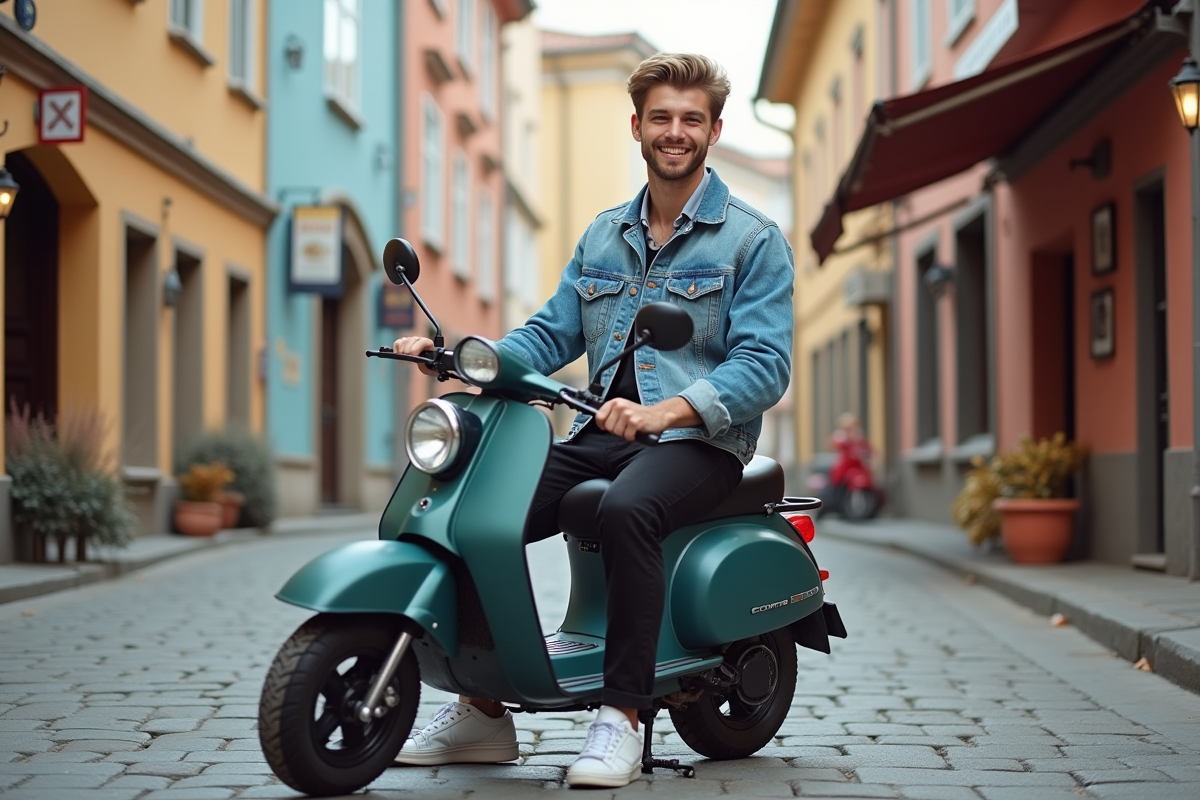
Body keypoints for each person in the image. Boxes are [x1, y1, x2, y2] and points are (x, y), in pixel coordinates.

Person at [391, 52, 794, 789]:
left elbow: (765, 363)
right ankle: (484, 712)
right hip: (602, 431)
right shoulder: (604, 237)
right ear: (638, 127)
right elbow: (549, 334)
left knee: (628, 511)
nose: (676, 131)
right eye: (662, 118)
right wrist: (463, 357)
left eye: (691, 119)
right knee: (479, 504)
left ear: (714, 131)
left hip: (699, 442)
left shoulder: (753, 239)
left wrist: (668, 409)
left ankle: (623, 717)